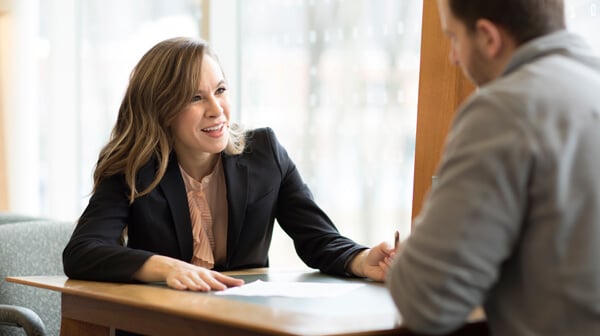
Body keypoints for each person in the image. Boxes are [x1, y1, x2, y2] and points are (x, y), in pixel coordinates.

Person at [63, 37, 393, 296]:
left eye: (220, 90)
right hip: (159, 325)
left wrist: (365, 261)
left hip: (241, 324)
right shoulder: (133, 168)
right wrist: (166, 268)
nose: (216, 109)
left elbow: (319, 239)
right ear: (161, 110)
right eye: (195, 98)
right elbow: (82, 251)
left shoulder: (265, 153)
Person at [387, 0, 600, 336]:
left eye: (453, 38)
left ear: (488, 37)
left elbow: (425, 298)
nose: (452, 57)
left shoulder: (506, 109)